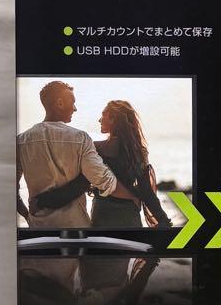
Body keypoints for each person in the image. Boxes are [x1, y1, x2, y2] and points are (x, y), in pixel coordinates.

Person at [29, 99, 172, 229]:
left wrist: (42, 201)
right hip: (130, 216)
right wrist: (163, 220)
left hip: (104, 214)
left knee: (103, 250)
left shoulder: (97, 148)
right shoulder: (138, 151)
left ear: (113, 119)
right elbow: (147, 193)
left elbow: (78, 186)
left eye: (103, 115)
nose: (99, 120)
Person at [16, 81, 119, 229]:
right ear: (60, 103)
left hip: (38, 228)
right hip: (75, 228)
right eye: (73, 102)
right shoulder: (81, 138)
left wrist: (27, 216)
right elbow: (106, 182)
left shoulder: (21, 141)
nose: (75, 108)